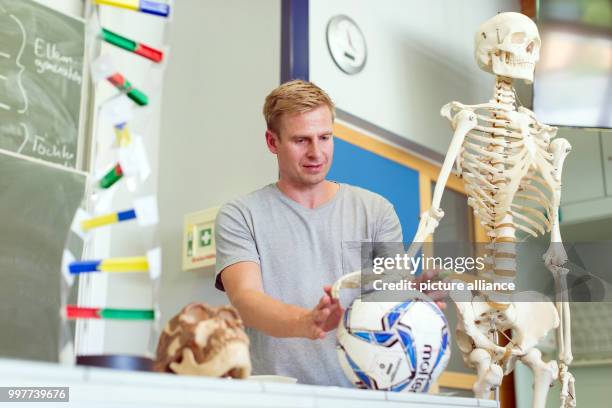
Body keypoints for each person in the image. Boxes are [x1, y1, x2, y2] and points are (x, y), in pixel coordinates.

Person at [214, 79, 402, 387]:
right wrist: (306, 322)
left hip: (360, 396)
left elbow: (391, 306)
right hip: (274, 396)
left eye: (325, 137)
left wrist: (413, 305)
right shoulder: (241, 215)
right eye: (301, 140)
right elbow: (246, 299)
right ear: (272, 142)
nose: (317, 152)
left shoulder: (376, 212)